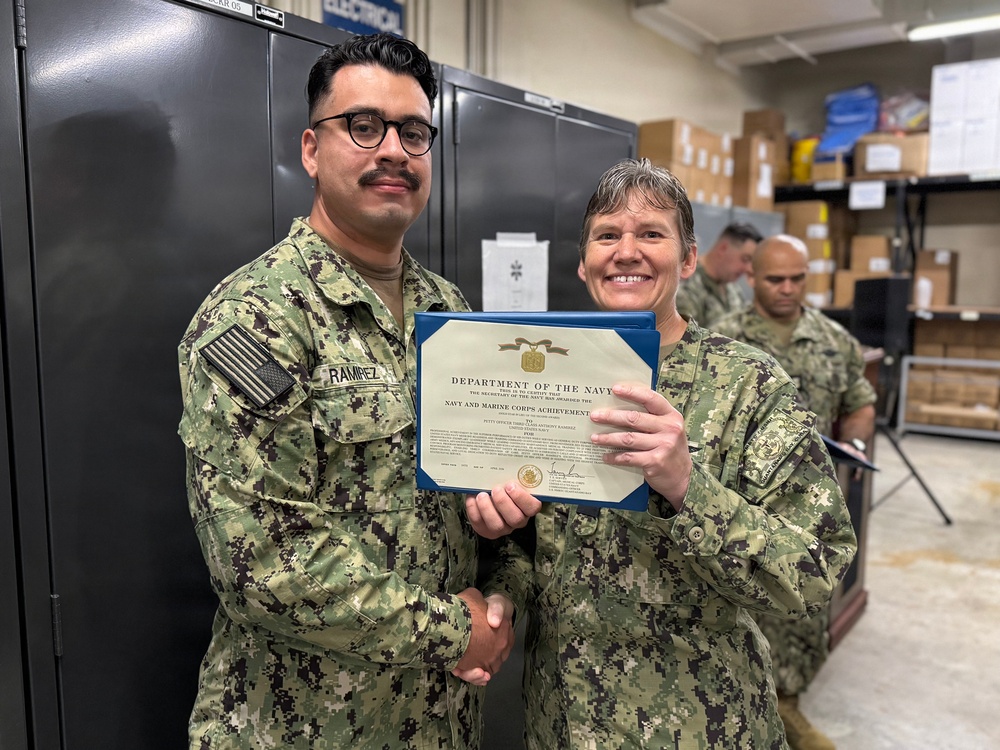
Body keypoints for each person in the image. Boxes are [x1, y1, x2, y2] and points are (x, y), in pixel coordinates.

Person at [177, 33, 513, 749]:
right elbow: (262, 561)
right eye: (363, 126)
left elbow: (490, 485)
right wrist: (456, 630)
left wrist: (504, 567)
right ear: (311, 149)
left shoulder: (450, 311)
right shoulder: (255, 318)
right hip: (303, 724)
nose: (392, 149)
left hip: (438, 721)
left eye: (414, 132)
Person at [463, 158, 858, 748]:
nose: (627, 252)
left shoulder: (748, 383)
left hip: (700, 725)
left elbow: (816, 570)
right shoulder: (542, 373)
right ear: (584, 261)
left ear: (689, 258)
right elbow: (533, 547)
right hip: (563, 720)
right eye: (607, 236)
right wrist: (503, 582)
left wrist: (687, 487)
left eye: (651, 234)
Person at [713, 233, 877, 750]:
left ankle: (788, 706)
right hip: (736, 508)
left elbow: (861, 402)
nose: (787, 289)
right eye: (775, 279)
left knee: (802, 615)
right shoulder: (722, 341)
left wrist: (852, 439)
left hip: (805, 508)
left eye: (797, 279)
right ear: (751, 277)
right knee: (740, 616)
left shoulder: (834, 340)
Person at [675, 220, 762, 327]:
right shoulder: (687, 287)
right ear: (722, 249)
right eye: (745, 259)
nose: (748, 268)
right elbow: (687, 338)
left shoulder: (733, 289)